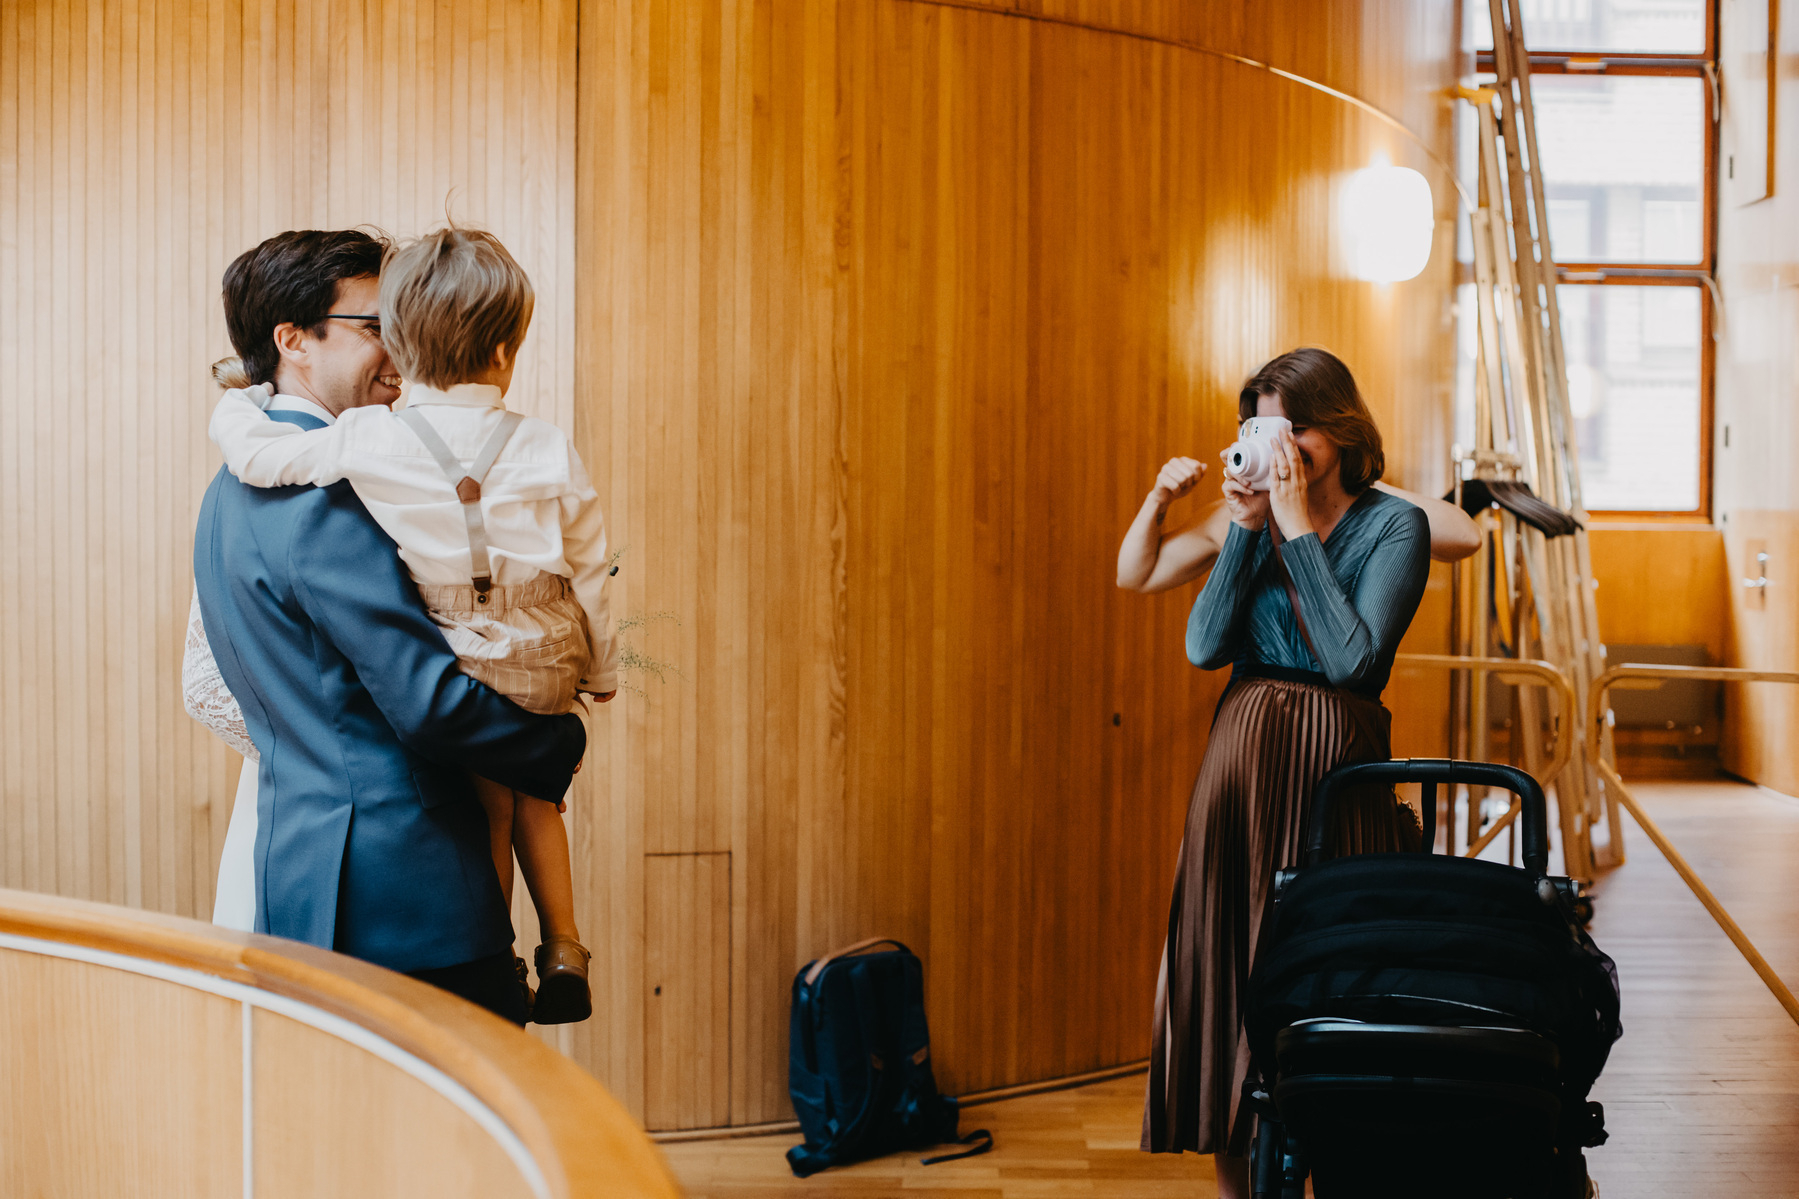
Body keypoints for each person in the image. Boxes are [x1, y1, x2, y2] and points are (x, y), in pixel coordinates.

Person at [205, 226, 616, 1025]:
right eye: (376, 326)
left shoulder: (233, 486)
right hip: (407, 890)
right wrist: (558, 743)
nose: (401, 350)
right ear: (293, 340)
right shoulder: (330, 495)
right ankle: (562, 941)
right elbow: (428, 702)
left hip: (305, 872)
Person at [1125, 348, 1472, 1198]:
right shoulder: (1249, 519)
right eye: (1265, 426)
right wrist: (1247, 529)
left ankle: (1335, 1160)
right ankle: (1237, 1176)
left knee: (1330, 967)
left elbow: (1353, 662)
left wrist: (1291, 527)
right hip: (1238, 770)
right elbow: (1205, 647)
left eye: (1297, 427)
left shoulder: (1393, 526)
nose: (1283, 446)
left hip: (1334, 775)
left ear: (1339, 428)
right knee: (1228, 964)